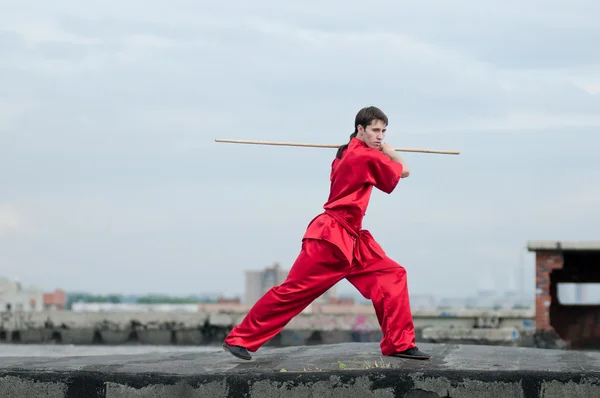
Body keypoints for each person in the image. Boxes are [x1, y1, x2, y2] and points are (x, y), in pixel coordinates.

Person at [222, 106, 430, 361]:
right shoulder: (365, 156)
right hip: (331, 238)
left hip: (352, 238)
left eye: (384, 131)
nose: (380, 136)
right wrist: (392, 152)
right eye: (375, 130)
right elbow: (404, 171)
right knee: (293, 291)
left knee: (391, 275)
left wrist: (376, 150)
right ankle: (239, 339)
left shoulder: (345, 155)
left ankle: (399, 343)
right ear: (360, 130)